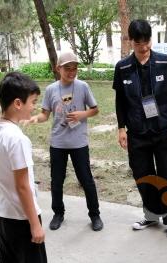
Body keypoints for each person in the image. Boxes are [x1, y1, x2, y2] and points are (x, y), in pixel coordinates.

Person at [112, 19, 167, 240]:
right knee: (143, 176)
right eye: (138, 43)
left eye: (146, 42)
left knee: (166, 176)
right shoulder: (122, 67)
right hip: (137, 132)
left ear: (150, 40)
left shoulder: (165, 62)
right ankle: (152, 215)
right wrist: (121, 128)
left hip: (162, 130)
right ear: (130, 41)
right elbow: (120, 101)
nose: (143, 48)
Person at [27, 51, 103, 231]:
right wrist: (34, 119)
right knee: (57, 180)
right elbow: (45, 114)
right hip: (58, 143)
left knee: (86, 180)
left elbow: (95, 109)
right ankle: (58, 213)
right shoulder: (51, 89)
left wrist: (82, 114)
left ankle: (95, 215)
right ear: (58, 68)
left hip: (79, 142)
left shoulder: (83, 86)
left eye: (74, 68)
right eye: (67, 68)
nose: (71, 72)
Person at [0, 72, 47, 262]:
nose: (34, 107)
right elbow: (22, 186)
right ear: (18, 103)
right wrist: (35, 224)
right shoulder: (17, 139)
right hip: (21, 217)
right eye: (33, 102)